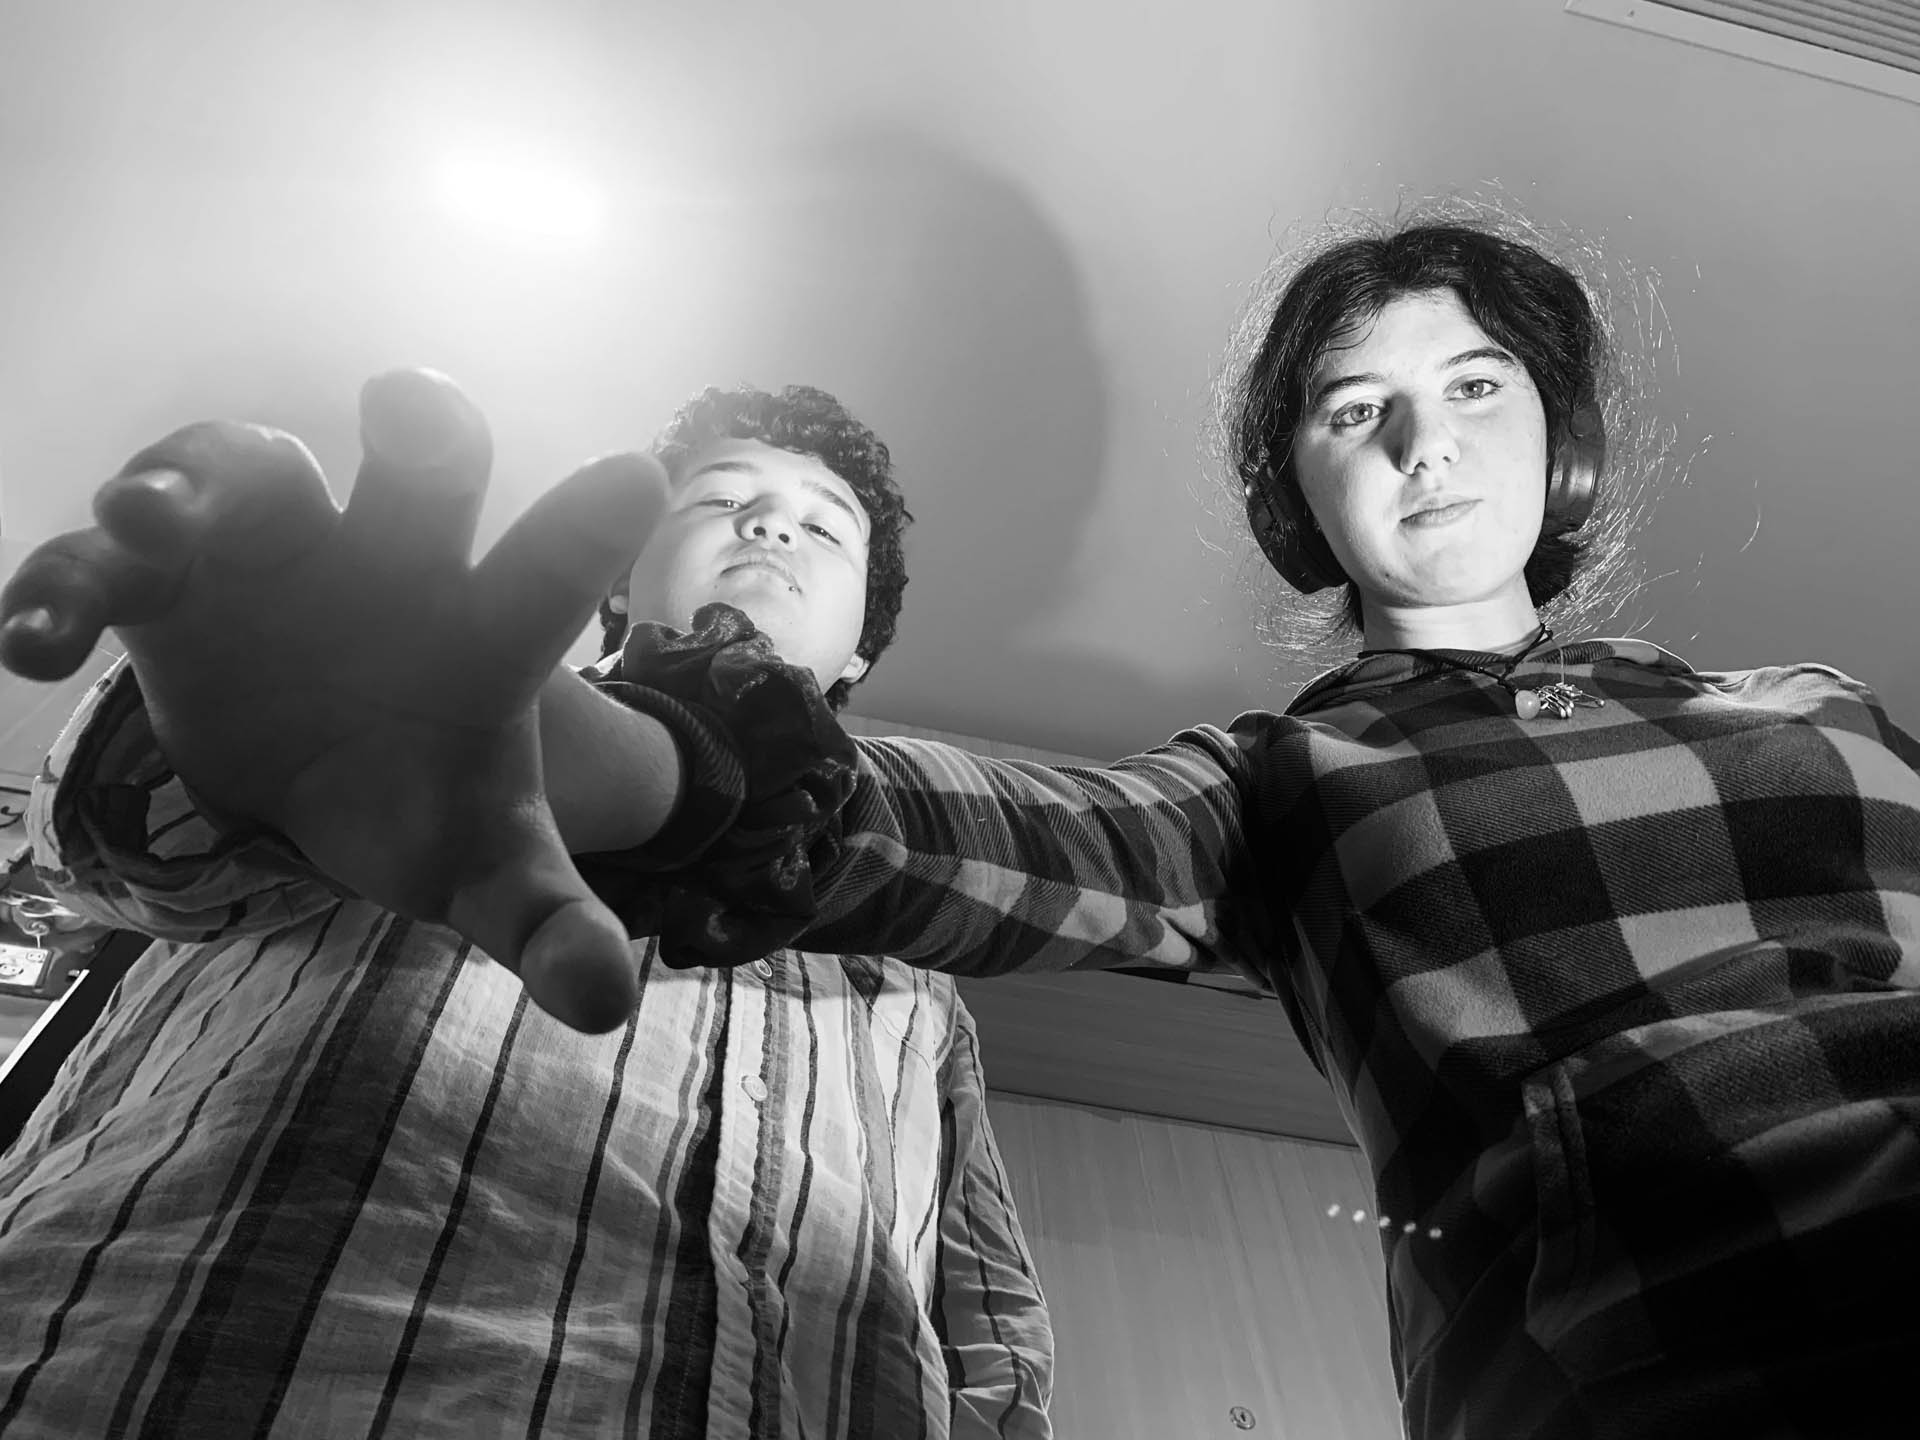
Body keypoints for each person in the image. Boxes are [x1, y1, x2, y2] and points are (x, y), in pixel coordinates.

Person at [7, 212, 1919, 1440]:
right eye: (1356, 409)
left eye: (1477, 385)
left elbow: (984, 1357)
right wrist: (589, 757)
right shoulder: (1274, 782)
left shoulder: (1826, 710)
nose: (1427, 442)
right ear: (1298, 494)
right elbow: (122, 850)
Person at [0, 379, 1053, 1439]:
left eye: (826, 526)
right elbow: (108, 865)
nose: (772, 524)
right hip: (136, 1359)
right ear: (619, 579)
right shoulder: (396, 701)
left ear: (863, 644)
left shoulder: (921, 967)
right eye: (720, 497)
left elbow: (981, 1302)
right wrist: (219, 729)